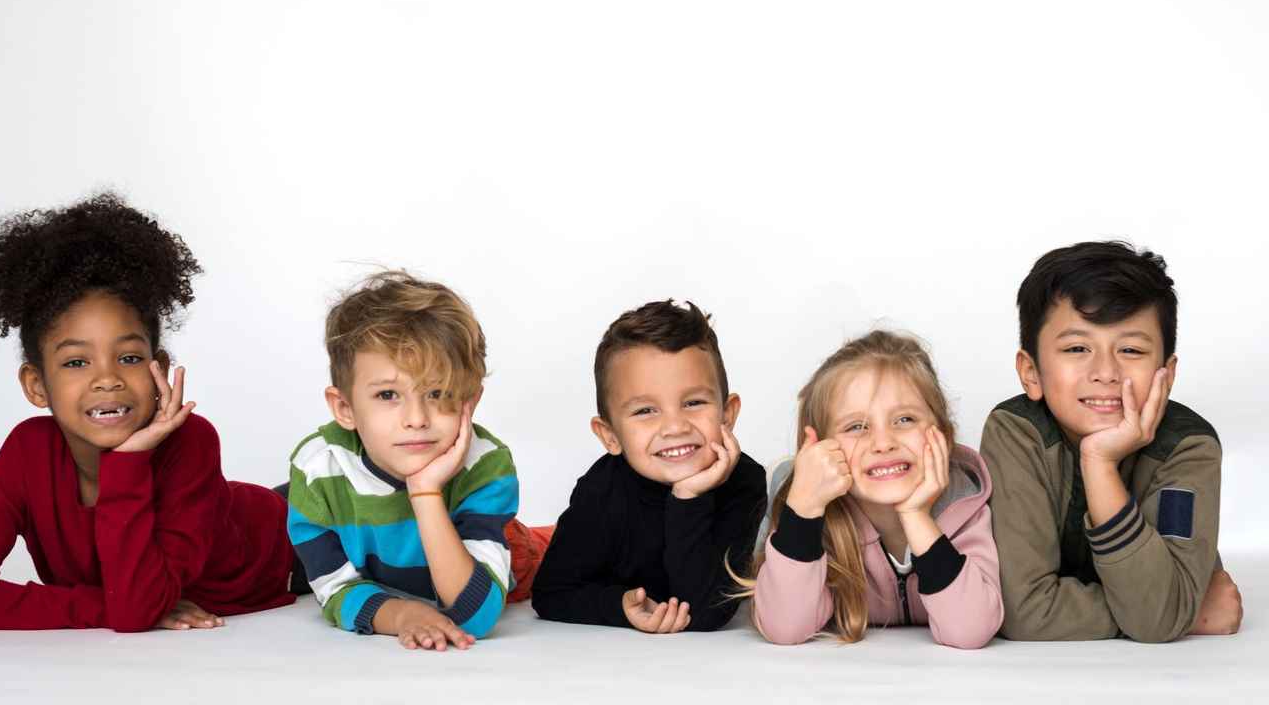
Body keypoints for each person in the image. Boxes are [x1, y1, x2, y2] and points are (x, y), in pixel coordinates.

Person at [0, 193, 296, 631]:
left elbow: (134, 611)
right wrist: (108, 605)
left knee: (363, 493)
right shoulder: (27, 454)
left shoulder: (191, 438)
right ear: (36, 385)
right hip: (234, 515)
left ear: (158, 369)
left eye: (129, 358)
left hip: (304, 534)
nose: (107, 379)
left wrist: (128, 462)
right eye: (76, 362)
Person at [980, 241, 1242, 641]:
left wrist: (1099, 463)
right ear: (1030, 372)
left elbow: (1157, 617)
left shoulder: (1188, 447)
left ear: (1167, 374)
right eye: (1077, 348)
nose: (1105, 372)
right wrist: (1182, 613)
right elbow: (1022, 611)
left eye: (1131, 350)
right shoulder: (1017, 433)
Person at [286, 270, 546, 650]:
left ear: (469, 400)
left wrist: (424, 491)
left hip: (511, 553)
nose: (417, 419)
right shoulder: (317, 467)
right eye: (388, 395)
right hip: (383, 560)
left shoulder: (485, 465)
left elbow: (477, 617)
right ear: (344, 408)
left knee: (559, 549)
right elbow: (336, 590)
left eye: (437, 392)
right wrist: (401, 614)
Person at [738, 330, 1002, 648]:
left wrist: (917, 517)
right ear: (822, 449)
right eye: (857, 427)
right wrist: (804, 509)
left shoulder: (965, 506)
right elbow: (785, 628)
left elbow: (971, 630)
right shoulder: (809, 514)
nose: (883, 443)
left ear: (943, 436)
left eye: (904, 419)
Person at [531, 300, 766, 633]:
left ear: (727, 415)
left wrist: (689, 497)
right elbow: (551, 593)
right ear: (610, 436)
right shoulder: (601, 489)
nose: (675, 427)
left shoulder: (745, 481)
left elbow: (707, 612)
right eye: (645, 411)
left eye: (693, 402)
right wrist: (618, 607)